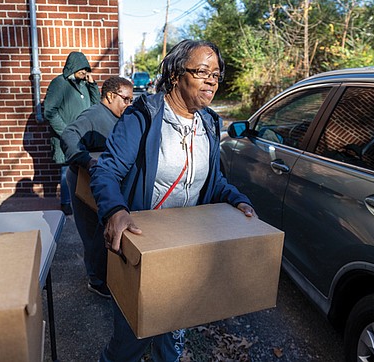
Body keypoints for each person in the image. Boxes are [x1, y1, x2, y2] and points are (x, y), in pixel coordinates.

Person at [90, 40, 256, 361]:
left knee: (174, 336)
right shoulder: (144, 116)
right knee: (131, 341)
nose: (211, 81)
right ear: (178, 75)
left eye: (216, 75)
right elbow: (107, 169)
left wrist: (236, 199)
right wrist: (115, 210)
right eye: (202, 72)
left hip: (185, 250)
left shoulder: (209, 123)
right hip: (143, 248)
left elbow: (213, 180)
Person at [61, 76, 133, 298]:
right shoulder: (93, 115)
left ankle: (104, 275)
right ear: (111, 96)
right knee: (92, 233)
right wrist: (87, 160)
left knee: (104, 230)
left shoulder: (118, 117)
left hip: (101, 181)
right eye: (126, 99)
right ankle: (96, 281)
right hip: (83, 180)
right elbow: (68, 135)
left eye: (132, 100)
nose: (129, 104)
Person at [43, 51, 100, 215]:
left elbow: (97, 105)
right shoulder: (59, 84)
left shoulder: (84, 84)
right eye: (82, 69)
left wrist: (92, 85)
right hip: (66, 137)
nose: (84, 73)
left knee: (83, 170)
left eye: (86, 69)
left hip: (83, 137)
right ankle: (66, 203)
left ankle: (83, 201)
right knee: (66, 171)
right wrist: (67, 132)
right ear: (73, 67)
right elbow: (49, 111)